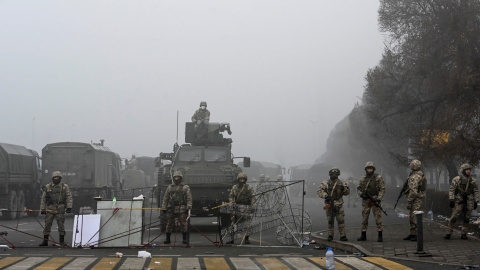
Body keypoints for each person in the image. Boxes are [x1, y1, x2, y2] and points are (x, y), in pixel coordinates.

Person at [444, 163, 479, 240]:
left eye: (469, 170)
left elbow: (475, 191)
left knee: (467, 218)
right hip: (459, 200)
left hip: (469, 200)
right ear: (463, 171)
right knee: (454, 217)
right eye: (466, 170)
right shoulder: (457, 179)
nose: (468, 171)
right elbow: (452, 190)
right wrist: (451, 200)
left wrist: (476, 201)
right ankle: (449, 232)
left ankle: (464, 233)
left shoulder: (473, 180)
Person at [39, 171, 73, 246]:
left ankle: (61, 241)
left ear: (60, 178)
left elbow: (68, 197)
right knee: (47, 224)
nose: (56, 179)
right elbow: (43, 198)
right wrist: (43, 208)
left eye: (57, 177)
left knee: (61, 225)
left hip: (60, 207)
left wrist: (69, 207)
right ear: (52, 178)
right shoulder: (48, 186)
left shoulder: (64, 186)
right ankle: (45, 241)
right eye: (54, 177)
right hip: (50, 207)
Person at [317, 167, 350, 241]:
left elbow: (347, 192)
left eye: (335, 174)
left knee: (341, 220)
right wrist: (326, 196)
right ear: (330, 174)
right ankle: (330, 235)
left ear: (338, 174)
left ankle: (343, 236)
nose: (334, 175)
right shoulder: (325, 183)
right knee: (330, 220)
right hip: (329, 204)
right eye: (332, 174)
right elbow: (319, 191)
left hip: (339, 203)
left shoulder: (342, 182)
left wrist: (343, 188)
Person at [356, 162, 386, 242]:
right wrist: (362, 195)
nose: (369, 170)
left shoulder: (378, 178)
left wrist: (378, 199)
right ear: (366, 169)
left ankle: (380, 235)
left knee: (378, 218)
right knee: (364, 218)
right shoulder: (363, 178)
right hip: (366, 201)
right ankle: (363, 235)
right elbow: (359, 188)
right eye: (368, 168)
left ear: (373, 169)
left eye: (371, 168)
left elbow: (382, 189)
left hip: (375, 199)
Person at [161, 171, 192, 244]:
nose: (176, 178)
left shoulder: (185, 187)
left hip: (181, 208)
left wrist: (189, 207)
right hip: (171, 208)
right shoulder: (170, 187)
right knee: (169, 224)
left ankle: (184, 239)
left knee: (183, 224)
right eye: (175, 177)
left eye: (178, 177)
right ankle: (167, 239)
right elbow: (166, 198)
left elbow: (189, 198)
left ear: (181, 178)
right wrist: (164, 207)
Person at [227, 172, 256, 245]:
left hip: (246, 207)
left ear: (245, 180)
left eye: (243, 179)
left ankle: (246, 238)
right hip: (236, 207)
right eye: (241, 179)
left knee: (246, 224)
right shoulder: (234, 187)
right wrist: (232, 203)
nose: (242, 180)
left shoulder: (249, 188)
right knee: (233, 223)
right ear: (238, 179)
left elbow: (253, 198)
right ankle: (231, 239)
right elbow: (231, 196)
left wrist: (253, 206)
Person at [403, 159, 426, 241]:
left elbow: (413, 191)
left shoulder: (415, 176)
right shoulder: (417, 174)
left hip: (416, 199)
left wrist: (409, 201)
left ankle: (417, 235)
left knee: (415, 217)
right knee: (412, 216)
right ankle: (413, 233)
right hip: (416, 198)